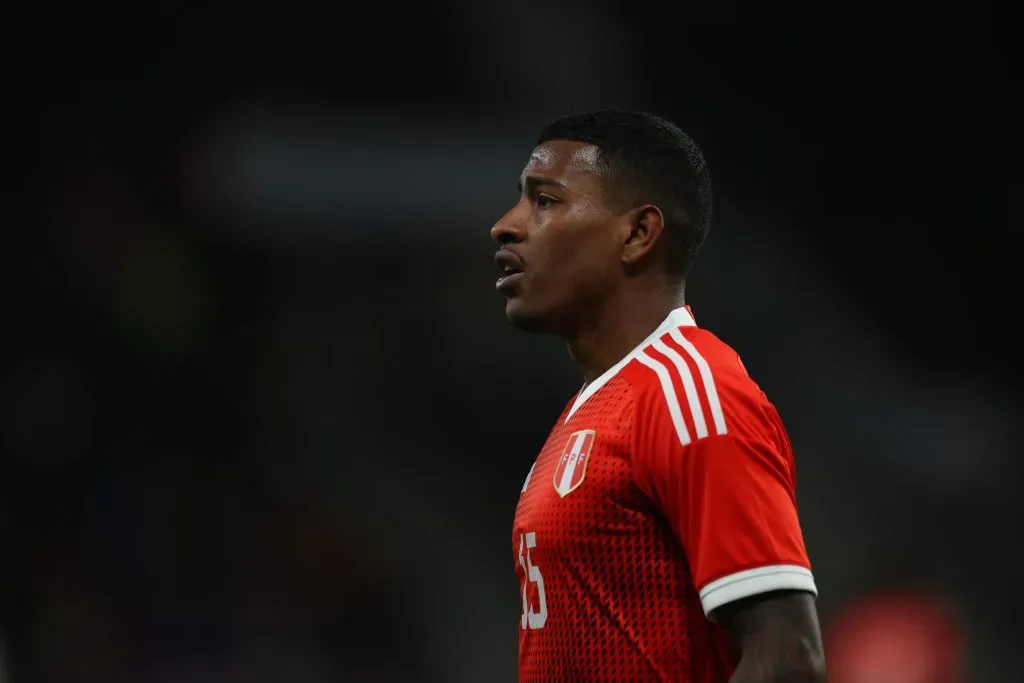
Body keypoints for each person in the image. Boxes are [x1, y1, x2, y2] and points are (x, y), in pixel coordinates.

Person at [493, 110, 825, 682]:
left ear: (638, 234)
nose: (506, 225)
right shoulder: (596, 406)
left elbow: (789, 656)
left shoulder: (691, 391)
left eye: (544, 200)